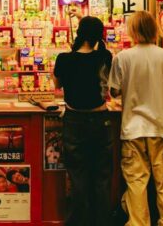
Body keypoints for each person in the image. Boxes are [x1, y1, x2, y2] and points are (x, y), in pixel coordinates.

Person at [108, 10, 163, 226]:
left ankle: (138, 223)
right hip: (161, 128)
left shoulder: (122, 58)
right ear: (154, 30)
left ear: (132, 31)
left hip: (132, 130)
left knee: (136, 183)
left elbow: (114, 91)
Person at [53, 15, 113, 226]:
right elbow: (111, 87)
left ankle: (79, 221)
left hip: (74, 120)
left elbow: (57, 84)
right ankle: (102, 220)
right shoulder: (105, 57)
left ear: (78, 33)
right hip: (100, 119)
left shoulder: (64, 59)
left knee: (77, 174)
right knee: (102, 174)